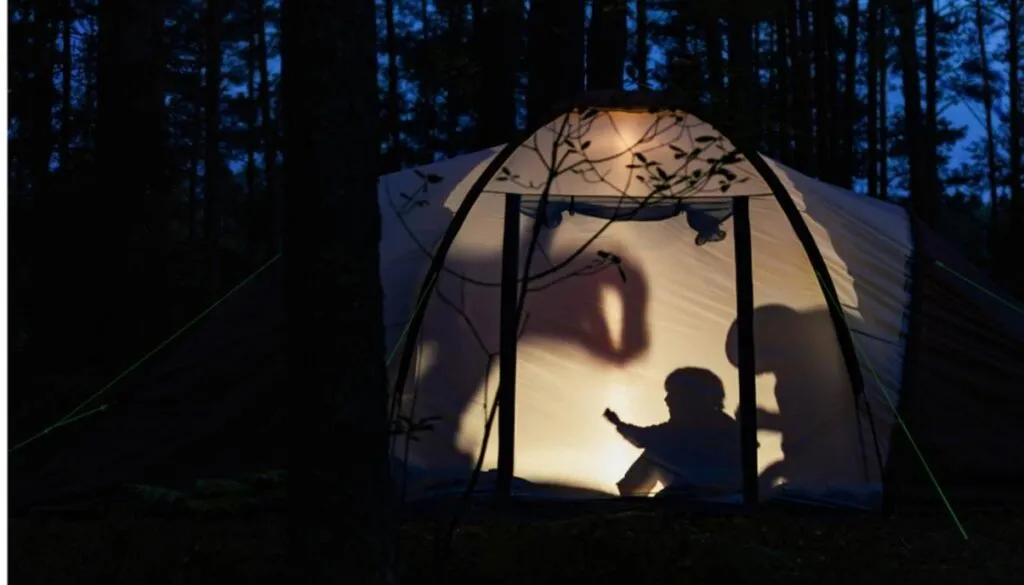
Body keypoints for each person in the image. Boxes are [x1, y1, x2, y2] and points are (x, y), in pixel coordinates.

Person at [604, 367, 741, 497]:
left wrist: (619, 424)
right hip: (715, 496)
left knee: (651, 456)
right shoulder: (725, 424)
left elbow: (644, 437)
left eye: (672, 394)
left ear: (691, 398)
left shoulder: (686, 428)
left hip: (708, 497)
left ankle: (629, 502)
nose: (667, 400)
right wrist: (619, 424)